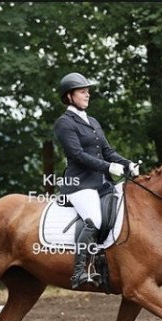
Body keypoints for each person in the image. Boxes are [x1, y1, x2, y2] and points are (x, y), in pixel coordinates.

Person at [53, 72, 140, 289]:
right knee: (94, 220)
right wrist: (109, 167)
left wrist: (127, 163)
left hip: (101, 184)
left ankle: (104, 262)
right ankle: (79, 271)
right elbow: (78, 155)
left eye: (87, 91)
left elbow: (108, 151)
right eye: (82, 91)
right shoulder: (64, 123)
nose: (87, 94)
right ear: (69, 96)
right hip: (79, 184)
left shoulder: (92, 121)